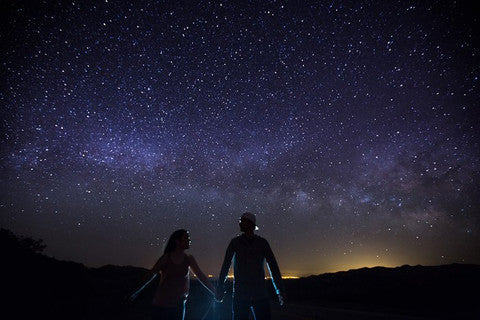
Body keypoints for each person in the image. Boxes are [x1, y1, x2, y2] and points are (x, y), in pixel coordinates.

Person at [216, 212, 286, 320]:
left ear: (251, 224)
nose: (239, 224)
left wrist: (279, 290)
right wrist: (220, 286)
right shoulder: (235, 242)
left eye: (242, 221)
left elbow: (273, 266)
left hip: (258, 294)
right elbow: (225, 265)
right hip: (242, 295)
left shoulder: (262, 243)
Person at [132, 229, 215, 320]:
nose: (189, 240)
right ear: (177, 241)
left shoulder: (188, 259)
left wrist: (215, 292)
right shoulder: (166, 258)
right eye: (186, 238)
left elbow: (201, 276)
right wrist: (135, 292)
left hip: (178, 305)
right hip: (161, 305)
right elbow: (150, 275)